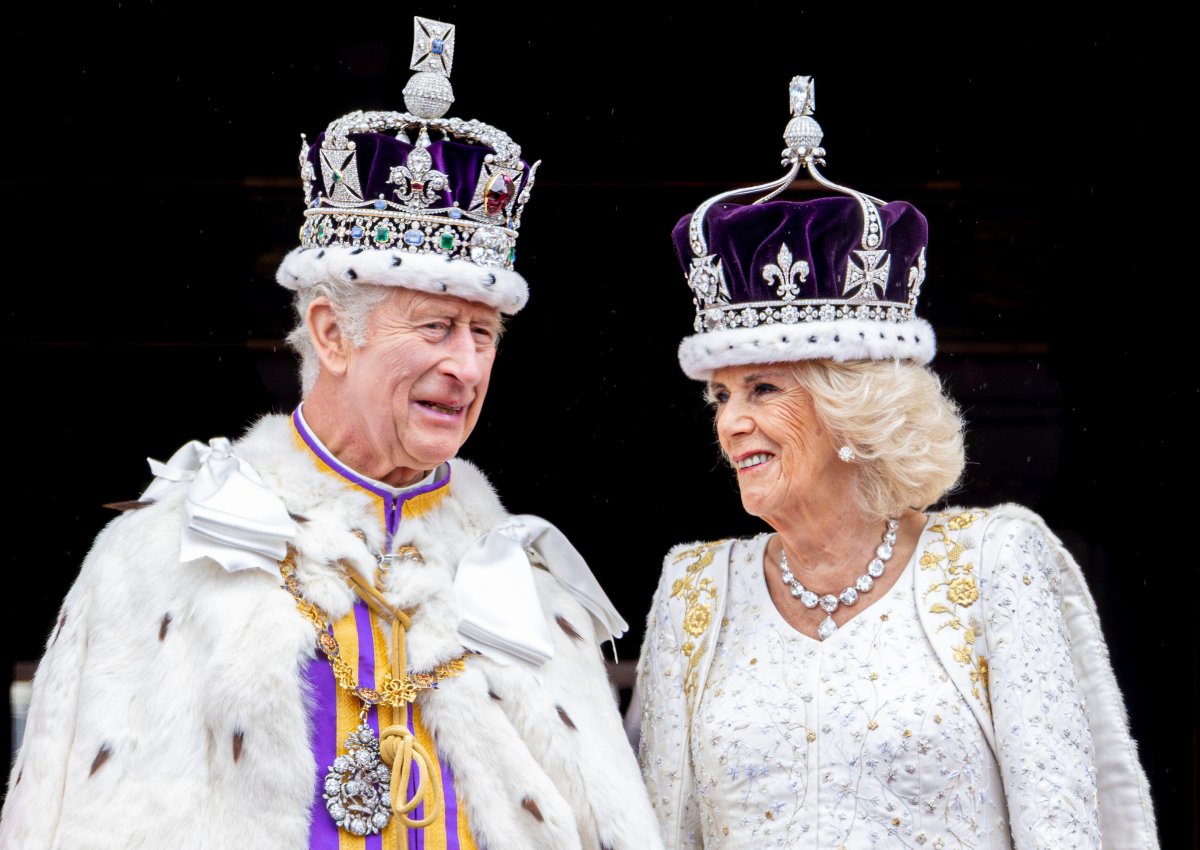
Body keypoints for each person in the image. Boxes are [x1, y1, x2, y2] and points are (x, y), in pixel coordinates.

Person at [0, 17, 660, 850]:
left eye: (483, 334)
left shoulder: (523, 581)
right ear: (332, 332)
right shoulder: (164, 551)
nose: (466, 366)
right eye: (433, 326)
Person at [635, 76, 1158, 850]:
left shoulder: (991, 567)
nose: (732, 421)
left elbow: (1064, 829)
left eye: (764, 388)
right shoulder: (694, 592)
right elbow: (663, 833)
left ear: (855, 406)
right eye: (720, 395)